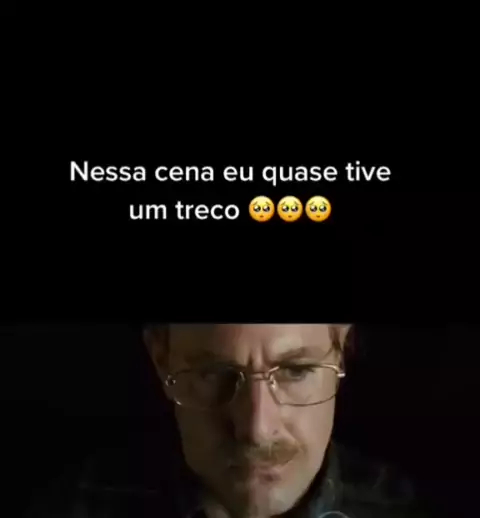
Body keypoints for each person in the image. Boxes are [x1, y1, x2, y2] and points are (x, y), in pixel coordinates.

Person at [26, 324, 432, 517]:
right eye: (213, 374)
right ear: (161, 360)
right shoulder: (74, 508)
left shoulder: (411, 512)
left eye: (296, 371)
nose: (256, 430)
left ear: (342, 349)